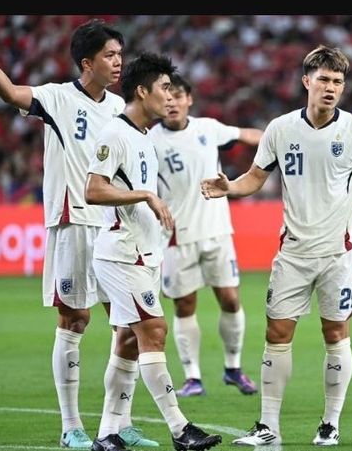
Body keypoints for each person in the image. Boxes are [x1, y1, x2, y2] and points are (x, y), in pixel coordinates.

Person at [201, 45, 352, 446]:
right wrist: (231, 189)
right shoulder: (280, 129)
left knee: (336, 332)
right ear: (306, 81)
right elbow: (256, 177)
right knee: (277, 332)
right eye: (323, 79)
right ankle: (268, 426)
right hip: (293, 252)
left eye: (338, 82)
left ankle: (330, 423)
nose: (330, 88)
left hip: (338, 254)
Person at [0, 19, 157, 448]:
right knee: (75, 319)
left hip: (115, 228)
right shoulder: (56, 97)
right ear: (87, 62)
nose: (118, 62)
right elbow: (12, 93)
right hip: (74, 221)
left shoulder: (119, 109)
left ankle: (118, 423)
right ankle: (71, 426)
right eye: (110, 55)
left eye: (120, 54)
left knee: (129, 326)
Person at [84, 52, 222, 451]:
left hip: (143, 253)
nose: (170, 96)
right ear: (142, 91)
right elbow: (93, 189)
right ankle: (180, 429)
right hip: (120, 253)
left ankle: (108, 434)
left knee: (128, 340)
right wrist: (146, 194)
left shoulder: (144, 136)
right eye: (164, 88)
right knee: (154, 330)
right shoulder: (116, 133)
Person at [149, 73, 262, 397]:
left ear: (189, 100)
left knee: (230, 298)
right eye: (166, 96)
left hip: (217, 231)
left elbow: (246, 135)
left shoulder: (208, 129)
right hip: (175, 235)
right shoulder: (149, 138)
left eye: (178, 96)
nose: (171, 102)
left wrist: (278, 138)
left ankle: (233, 368)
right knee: (185, 305)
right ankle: (193, 377)